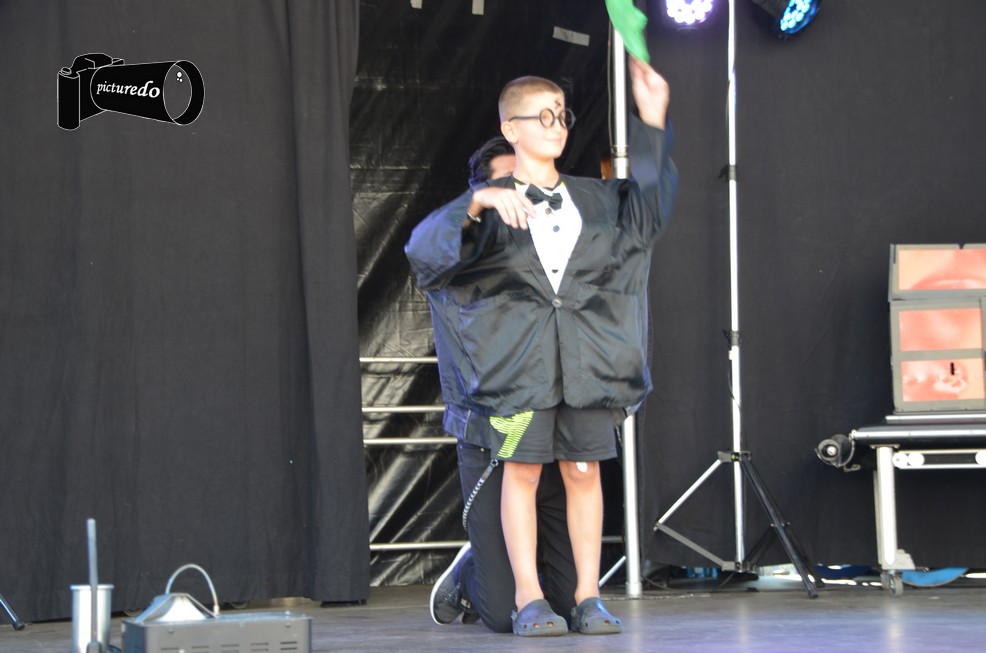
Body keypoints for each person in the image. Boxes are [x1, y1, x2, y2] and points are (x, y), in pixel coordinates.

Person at [405, 56, 678, 636]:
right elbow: (424, 254)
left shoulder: (597, 199)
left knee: (583, 471)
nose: (557, 125)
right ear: (511, 128)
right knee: (523, 472)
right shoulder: (486, 206)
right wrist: (476, 203)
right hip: (517, 372)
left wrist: (653, 120)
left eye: (562, 115)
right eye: (543, 116)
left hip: (587, 366)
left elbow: (651, 212)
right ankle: (527, 596)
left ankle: (588, 596)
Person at [426, 135, 580, 635]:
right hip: (491, 437)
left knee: (569, 604)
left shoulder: (556, 247)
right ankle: (473, 569)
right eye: (507, 185)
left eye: (528, 182)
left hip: (554, 435)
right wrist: (476, 206)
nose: (521, 195)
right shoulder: (459, 251)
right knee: (499, 615)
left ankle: (528, 577)